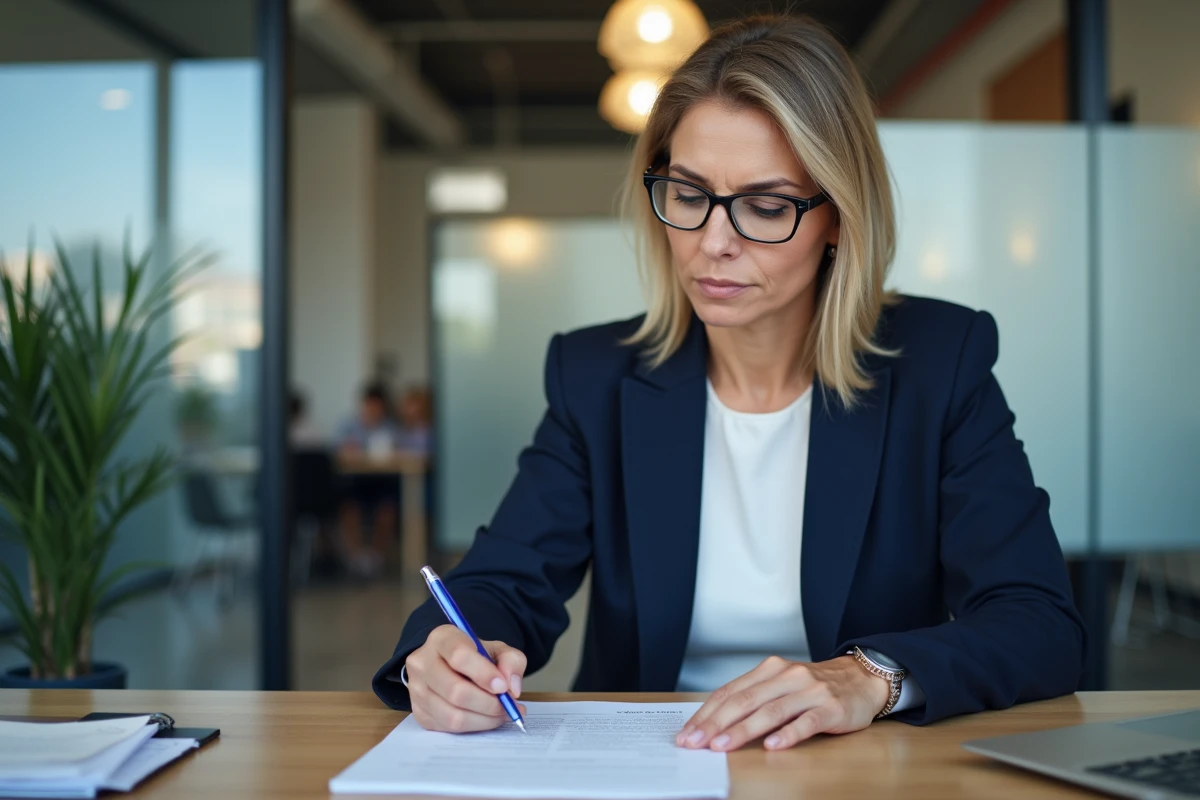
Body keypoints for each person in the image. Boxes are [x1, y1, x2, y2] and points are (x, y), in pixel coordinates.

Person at [374, 14, 1084, 750]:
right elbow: (502, 583)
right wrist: (446, 655)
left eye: (766, 206)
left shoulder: (939, 364)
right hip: (647, 764)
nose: (714, 242)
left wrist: (871, 676)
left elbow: (1038, 621)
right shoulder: (598, 378)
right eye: (688, 195)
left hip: (854, 769)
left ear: (838, 217)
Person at [337, 382, 402, 577]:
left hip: (384, 482)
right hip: (356, 481)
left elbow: (399, 454)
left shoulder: (392, 428)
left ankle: (376, 557)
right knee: (349, 507)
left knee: (387, 509)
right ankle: (357, 558)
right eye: (368, 405)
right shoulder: (349, 425)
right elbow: (338, 452)